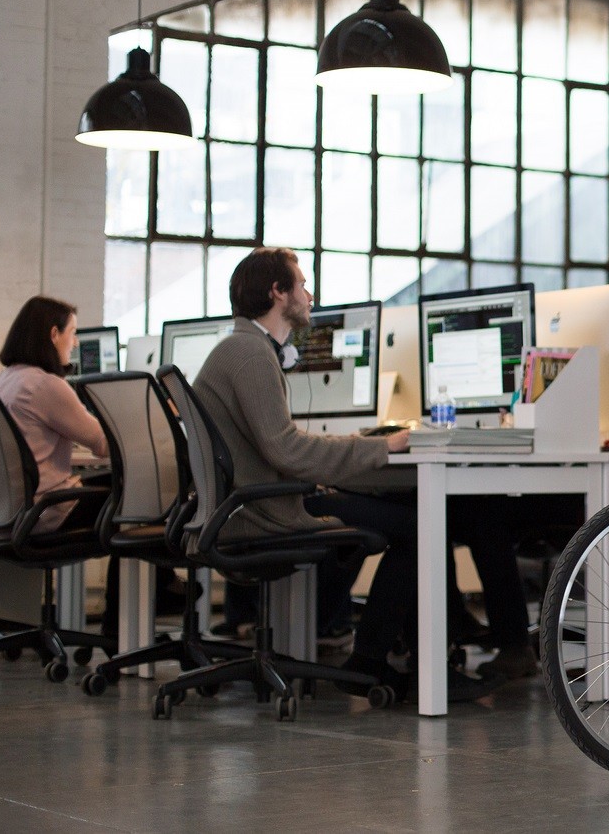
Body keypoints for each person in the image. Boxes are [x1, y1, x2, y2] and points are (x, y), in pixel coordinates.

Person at [192, 248, 501, 700]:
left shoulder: (241, 348)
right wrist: (381, 446)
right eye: (301, 284)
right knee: (422, 524)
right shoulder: (249, 352)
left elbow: (282, 445)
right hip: (263, 511)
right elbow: (287, 449)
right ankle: (381, 663)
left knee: (407, 512)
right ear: (278, 292)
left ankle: (388, 658)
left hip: (252, 502)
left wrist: (366, 449)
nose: (309, 294)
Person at [0, 296, 111, 534]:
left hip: (3, 514)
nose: (75, 343)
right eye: (73, 332)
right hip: (45, 513)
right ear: (54, 334)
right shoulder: (45, 385)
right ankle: (164, 568)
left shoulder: (1, 381)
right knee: (134, 489)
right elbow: (104, 444)